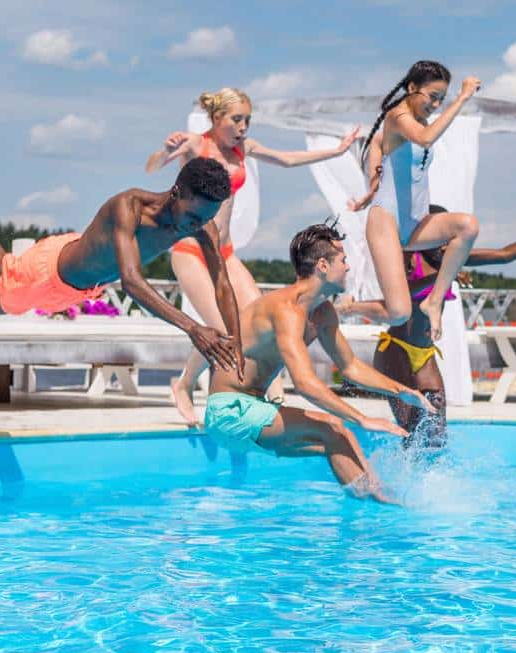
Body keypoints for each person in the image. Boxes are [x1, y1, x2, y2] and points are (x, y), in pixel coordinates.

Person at [0, 159, 244, 374]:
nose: (196, 225)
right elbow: (132, 282)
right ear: (176, 193)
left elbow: (222, 285)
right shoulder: (129, 207)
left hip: (66, 266)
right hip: (50, 278)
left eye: (207, 218)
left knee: (5, 271)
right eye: (194, 216)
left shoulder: (204, 226)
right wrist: (193, 328)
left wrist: (237, 344)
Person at [146, 87, 361, 424]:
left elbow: (287, 159)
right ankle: (184, 385)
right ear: (217, 119)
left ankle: (261, 384)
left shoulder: (244, 148)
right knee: (221, 327)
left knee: (253, 319)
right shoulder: (194, 143)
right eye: (237, 119)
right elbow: (152, 167)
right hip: (191, 249)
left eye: (248, 119)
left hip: (225, 252)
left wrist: (336, 151)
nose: (244, 126)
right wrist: (165, 150)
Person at [204, 222, 432, 503]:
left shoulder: (322, 313)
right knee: (333, 427)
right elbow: (304, 384)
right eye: (344, 260)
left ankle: (379, 505)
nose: (348, 267)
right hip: (229, 411)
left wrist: (404, 392)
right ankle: (377, 507)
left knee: (339, 438)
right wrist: (363, 418)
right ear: (323, 266)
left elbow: (350, 367)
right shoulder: (286, 310)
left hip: (256, 409)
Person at [339, 207, 516, 448]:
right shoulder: (409, 258)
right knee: (411, 433)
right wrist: (442, 279)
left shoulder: (451, 259)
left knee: (436, 436)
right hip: (397, 351)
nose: (446, 248)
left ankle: (432, 484)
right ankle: (401, 481)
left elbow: (505, 254)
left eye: (450, 241)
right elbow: (400, 299)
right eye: (441, 241)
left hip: (425, 355)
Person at [347, 60, 482, 343]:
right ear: (412, 88)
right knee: (398, 313)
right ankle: (347, 307)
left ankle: (433, 300)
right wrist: (461, 98)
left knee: (467, 226)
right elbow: (424, 139)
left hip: (416, 222)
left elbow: (385, 149)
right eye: (432, 97)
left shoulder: (415, 122)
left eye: (441, 99)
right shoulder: (398, 116)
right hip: (386, 222)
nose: (435, 105)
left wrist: (373, 182)